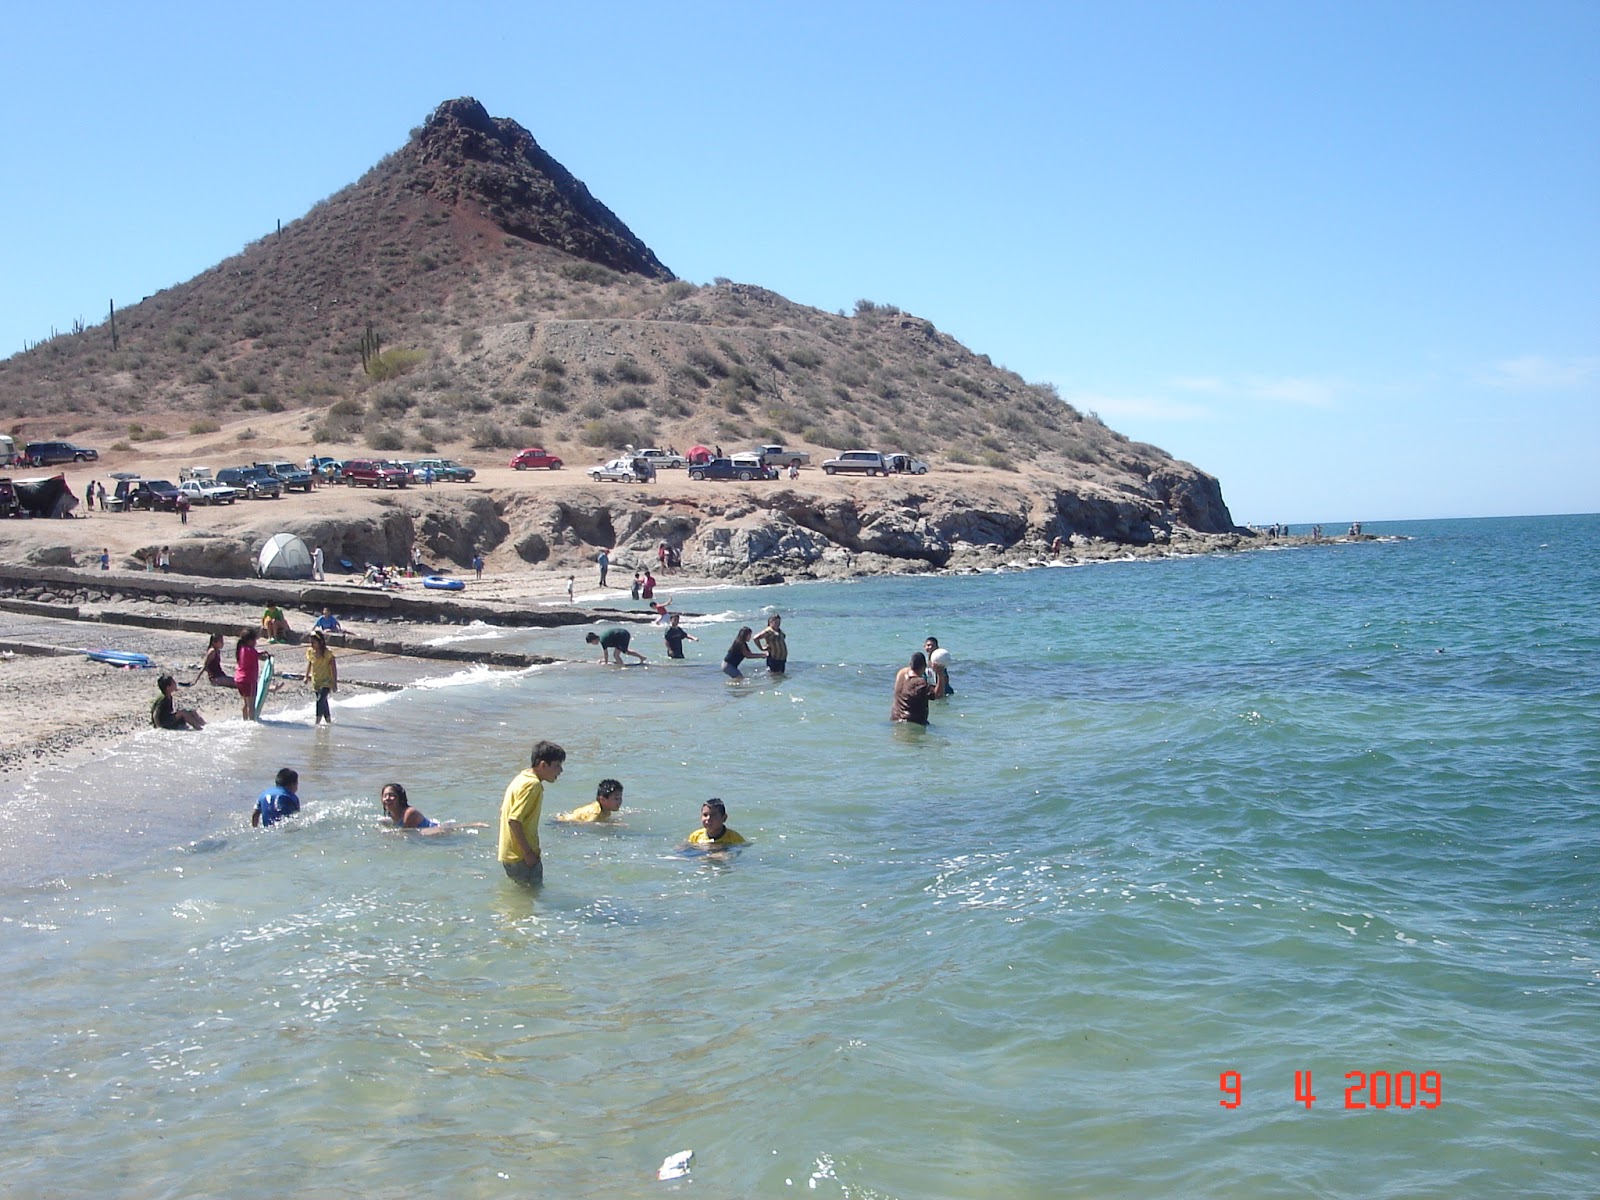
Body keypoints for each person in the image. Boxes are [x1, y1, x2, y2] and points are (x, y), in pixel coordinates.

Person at [498, 740, 566, 886]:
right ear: (543, 765)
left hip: (509, 854)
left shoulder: (522, 778)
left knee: (522, 897)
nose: (560, 771)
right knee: (532, 896)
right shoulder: (533, 785)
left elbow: (504, 810)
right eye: (557, 766)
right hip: (521, 856)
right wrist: (528, 852)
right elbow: (514, 820)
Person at [379, 782, 489, 834]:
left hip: (436, 832)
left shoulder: (409, 813)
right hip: (425, 833)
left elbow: (405, 835)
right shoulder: (391, 815)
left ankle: (475, 824)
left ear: (400, 798)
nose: (388, 798)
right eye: (385, 796)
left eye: (392, 795)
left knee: (455, 827)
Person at [891, 652, 934, 725]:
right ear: (924, 666)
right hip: (913, 721)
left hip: (895, 718)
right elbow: (938, 694)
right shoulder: (920, 682)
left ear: (910, 664)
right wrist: (940, 674)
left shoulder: (901, 673)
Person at [305, 631, 338, 725]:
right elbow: (310, 664)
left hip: (327, 681)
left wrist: (334, 683)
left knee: (320, 700)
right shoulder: (310, 652)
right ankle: (328, 721)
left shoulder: (328, 653)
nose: (311, 645)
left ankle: (317, 722)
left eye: (313, 643)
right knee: (323, 701)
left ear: (320, 642)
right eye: (310, 643)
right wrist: (306, 676)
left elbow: (333, 668)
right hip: (316, 681)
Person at [556, 779, 624, 823]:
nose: (620, 801)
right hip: (562, 823)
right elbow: (588, 825)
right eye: (616, 798)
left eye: (620, 798)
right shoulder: (595, 813)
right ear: (603, 800)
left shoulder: (606, 809)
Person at [235, 628, 266, 722]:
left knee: (246, 703)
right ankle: (252, 723)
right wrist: (268, 656)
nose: (256, 642)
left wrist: (261, 652)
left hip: (240, 680)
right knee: (251, 705)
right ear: (250, 641)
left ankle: (245, 721)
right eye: (255, 640)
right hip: (249, 681)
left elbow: (256, 654)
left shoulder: (241, 649)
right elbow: (261, 657)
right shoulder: (251, 651)